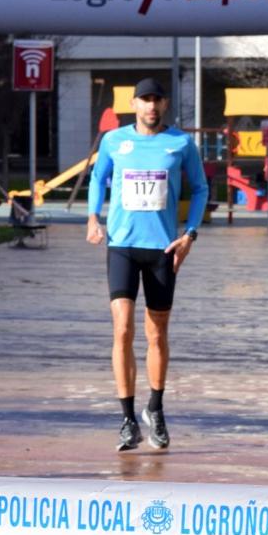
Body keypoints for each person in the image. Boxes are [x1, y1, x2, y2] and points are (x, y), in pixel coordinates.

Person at [87, 77, 208, 452]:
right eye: (145, 100)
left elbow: (201, 188)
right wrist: (93, 217)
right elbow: (98, 177)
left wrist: (189, 235)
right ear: (134, 104)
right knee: (122, 330)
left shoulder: (181, 143)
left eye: (157, 100)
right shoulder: (115, 141)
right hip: (122, 245)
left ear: (165, 104)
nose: (151, 106)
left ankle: (154, 408)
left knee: (156, 333)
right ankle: (126, 420)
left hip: (162, 250)